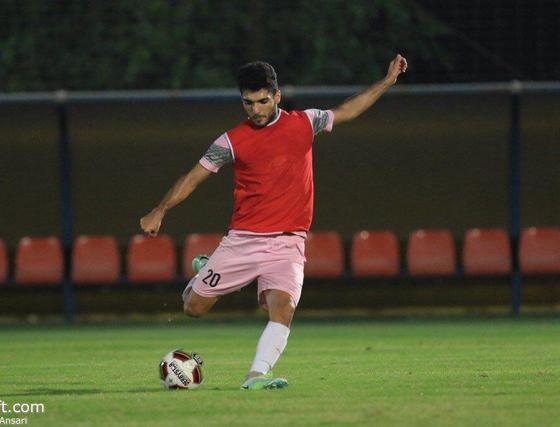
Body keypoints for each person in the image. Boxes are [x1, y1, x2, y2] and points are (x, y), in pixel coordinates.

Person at [140, 54, 408, 389]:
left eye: (262, 101)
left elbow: (348, 110)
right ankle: (204, 272)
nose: (255, 109)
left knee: (283, 308)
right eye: (248, 103)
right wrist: (160, 209)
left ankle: (256, 376)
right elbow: (193, 178)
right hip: (244, 240)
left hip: (289, 242)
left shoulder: (305, 122)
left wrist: (386, 81)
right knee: (193, 308)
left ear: (277, 96)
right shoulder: (230, 141)